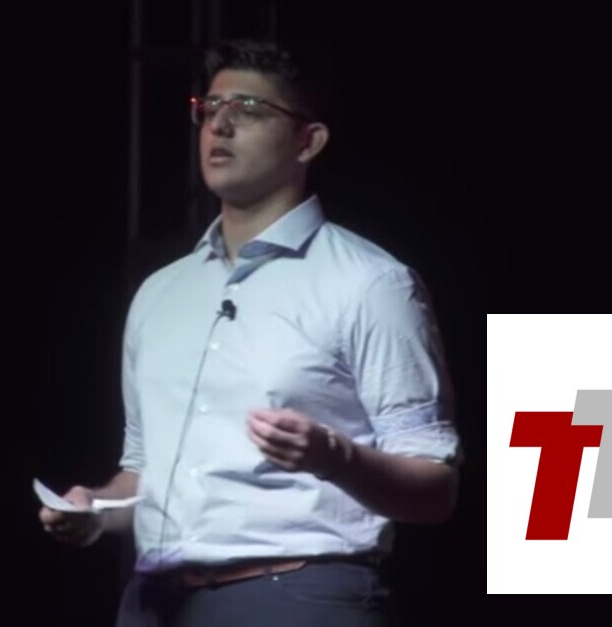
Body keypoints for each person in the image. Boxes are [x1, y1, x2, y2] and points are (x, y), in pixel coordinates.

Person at [38, 39, 462, 627]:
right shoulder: (161, 292)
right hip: (153, 600)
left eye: (249, 109)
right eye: (210, 108)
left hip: (297, 594)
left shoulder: (371, 283)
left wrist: (334, 456)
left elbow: (436, 489)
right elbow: (143, 470)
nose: (221, 124)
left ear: (307, 141)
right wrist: (95, 510)